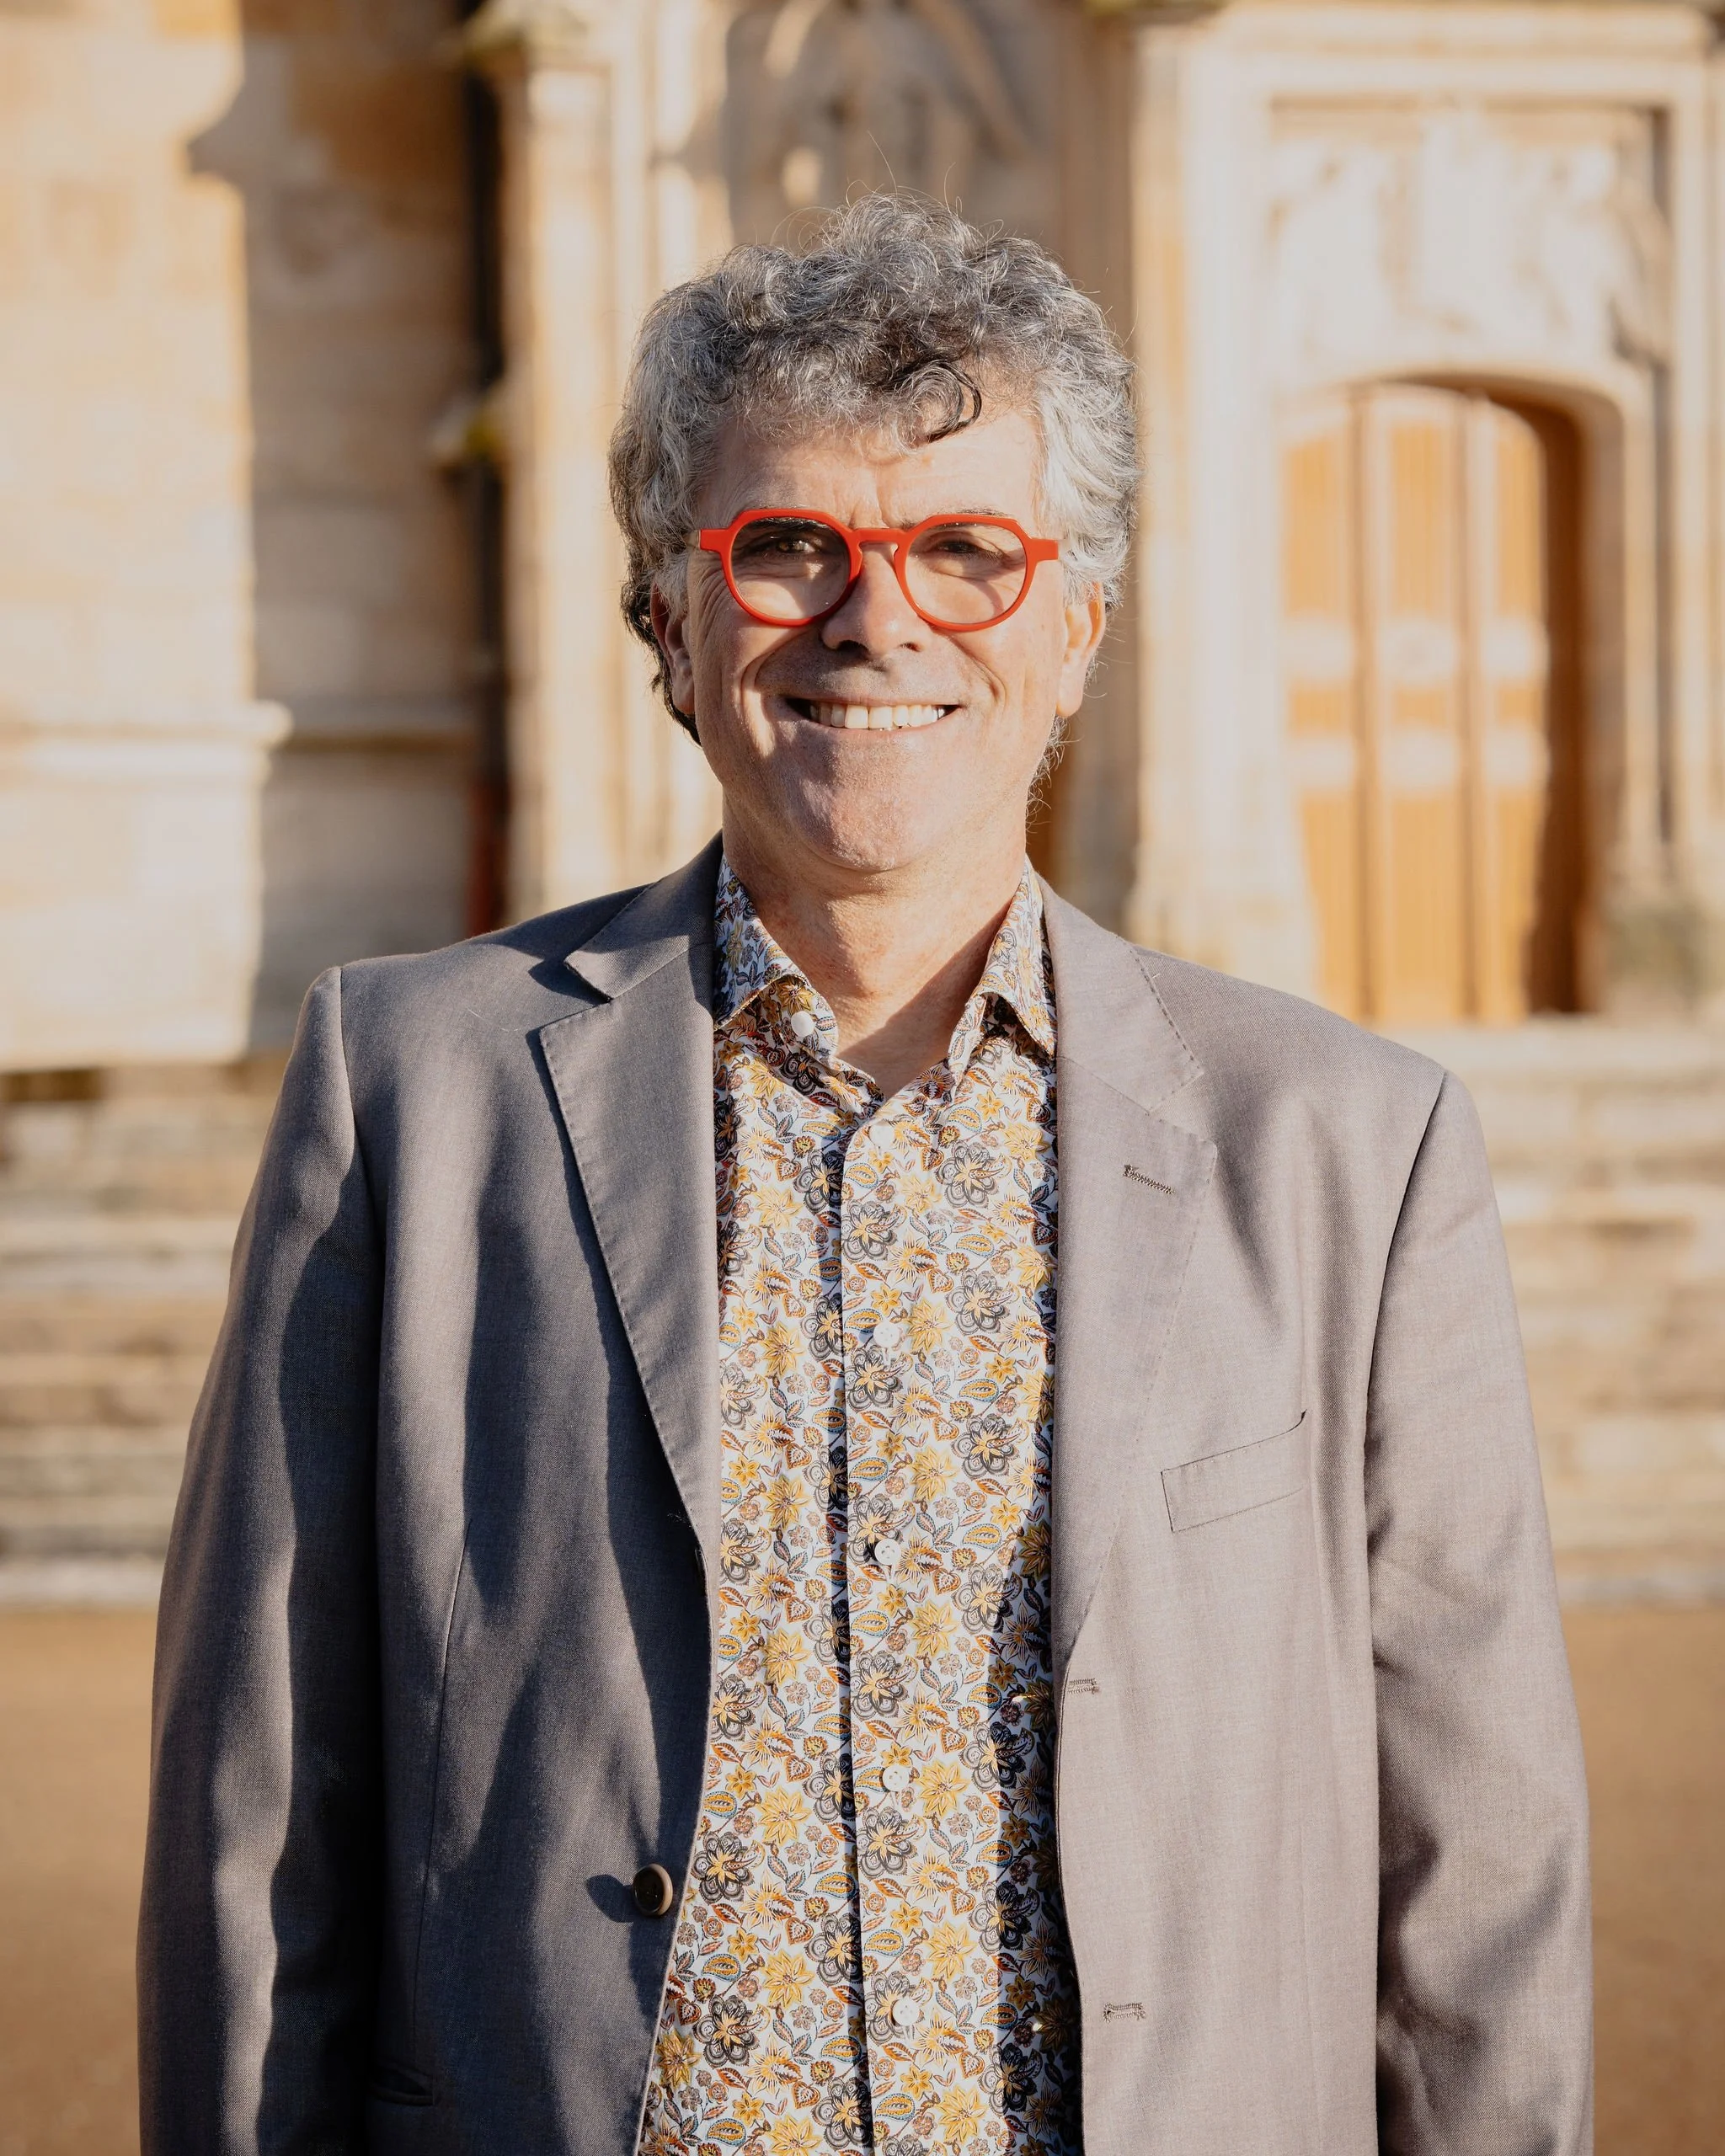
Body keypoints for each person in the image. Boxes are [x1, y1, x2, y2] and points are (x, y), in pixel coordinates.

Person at [138, 195, 1592, 2155]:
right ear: (667, 617)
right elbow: (264, 1814)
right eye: (788, 545)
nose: (877, 617)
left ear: (1075, 627)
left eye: (966, 552)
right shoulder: (411, 1092)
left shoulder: (1349, 1146)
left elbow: (1474, 1871)